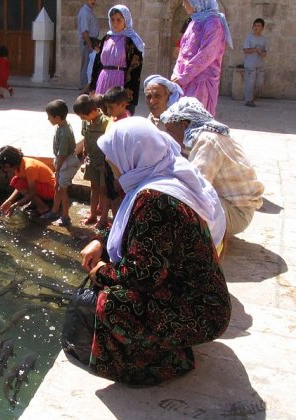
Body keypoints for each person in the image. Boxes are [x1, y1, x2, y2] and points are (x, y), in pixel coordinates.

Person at [81, 117, 230, 386]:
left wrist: (102, 272)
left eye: (112, 158)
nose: (111, 165)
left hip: (201, 313)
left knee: (113, 302)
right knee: (108, 274)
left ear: (130, 154)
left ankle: (163, 363)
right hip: (190, 296)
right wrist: (101, 241)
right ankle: (163, 344)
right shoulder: (160, 175)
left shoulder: (156, 199)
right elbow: (135, 232)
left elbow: (145, 275)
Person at [161, 97, 264, 235]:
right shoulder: (205, 135)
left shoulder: (207, 141)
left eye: (171, 131)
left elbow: (196, 187)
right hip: (234, 207)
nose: (170, 137)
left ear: (185, 125)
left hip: (237, 213)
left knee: (181, 202)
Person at [171, 0, 233, 116]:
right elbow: (183, 51)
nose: (184, 5)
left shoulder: (213, 24)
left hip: (201, 81)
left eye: (186, 2)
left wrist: (184, 76)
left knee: (195, 119)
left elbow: (206, 55)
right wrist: (176, 73)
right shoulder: (194, 21)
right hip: (184, 80)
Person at [90, 5, 144, 115]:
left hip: (120, 81)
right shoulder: (106, 38)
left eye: (119, 20)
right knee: (101, 113)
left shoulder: (132, 41)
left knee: (118, 113)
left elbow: (135, 69)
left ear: (126, 20)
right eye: (112, 20)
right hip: (103, 79)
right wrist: (93, 86)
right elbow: (97, 64)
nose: (115, 23)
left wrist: (128, 94)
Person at [73, 94, 111, 229]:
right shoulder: (86, 121)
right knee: (94, 188)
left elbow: (110, 145)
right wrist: (85, 153)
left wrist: (108, 164)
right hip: (91, 160)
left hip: (104, 164)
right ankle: (93, 214)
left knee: (104, 190)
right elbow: (85, 138)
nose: (82, 119)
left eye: (83, 116)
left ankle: (104, 218)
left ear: (94, 111)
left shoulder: (107, 122)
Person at [40, 100, 81, 227]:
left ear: (57, 117)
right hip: (62, 161)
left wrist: (57, 169)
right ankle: (54, 211)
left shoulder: (64, 132)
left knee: (63, 190)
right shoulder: (62, 126)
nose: (48, 119)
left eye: (49, 117)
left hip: (66, 162)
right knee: (57, 187)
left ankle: (65, 217)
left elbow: (63, 154)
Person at [0, 146, 55, 217]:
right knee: (15, 180)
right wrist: (8, 201)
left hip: (51, 190)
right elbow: (19, 187)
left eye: (6, 167)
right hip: (42, 187)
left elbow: (32, 192)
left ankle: (43, 208)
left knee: (21, 183)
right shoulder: (19, 165)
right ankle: (34, 202)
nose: (5, 170)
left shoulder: (29, 168)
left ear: (13, 162)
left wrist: (15, 205)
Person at [243, 18, 267, 108]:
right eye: (255, 25)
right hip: (250, 65)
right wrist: (256, 49)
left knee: (259, 84)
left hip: (260, 65)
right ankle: (249, 100)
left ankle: (252, 97)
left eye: (259, 26)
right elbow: (245, 50)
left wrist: (262, 53)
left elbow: (265, 53)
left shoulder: (264, 39)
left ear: (262, 28)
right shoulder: (248, 38)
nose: (256, 27)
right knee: (250, 83)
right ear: (252, 26)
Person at [77, 0, 100, 91]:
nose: (93, 1)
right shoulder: (85, 12)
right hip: (88, 42)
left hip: (92, 42)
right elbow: (84, 31)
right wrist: (90, 46)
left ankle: (87, 88)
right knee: (86, 66)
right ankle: (84, 89)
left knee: (89, 66)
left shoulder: (89, 11)